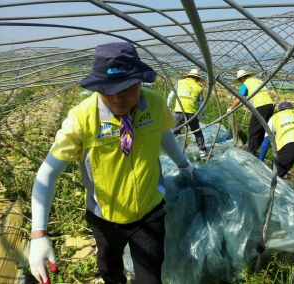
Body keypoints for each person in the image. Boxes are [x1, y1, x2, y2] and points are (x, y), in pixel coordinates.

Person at [28, 42, 194, 284]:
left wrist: (183, 163)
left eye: (127, 87)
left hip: (150, 211)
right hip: (105, 218)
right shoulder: (82, 119)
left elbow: (162, 133)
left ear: (140, 82)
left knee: (151, 278)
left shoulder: (155, 103)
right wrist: (39, 233)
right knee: (111, 272)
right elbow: (47, 174)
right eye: (108, 89)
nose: (118, 98)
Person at [227, 70, 274, 156]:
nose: (240, 82)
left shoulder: (245, 84)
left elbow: (239, 98)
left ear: (242, 78)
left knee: (253, 130)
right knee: (263, 127)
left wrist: (231, 108)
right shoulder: (258, 81)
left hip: (260, 106)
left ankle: (252, 152)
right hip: (270, 105)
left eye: (240, 80)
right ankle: (260, 146)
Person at [167, 69, 208, 159]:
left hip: (179, 111)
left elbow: (170, 95)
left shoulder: (180, 82)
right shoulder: (198, 88)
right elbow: (201, 104)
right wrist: (203, 114)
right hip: (192, 113)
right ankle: (202, 151)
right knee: (197, 132)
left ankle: (173, 150)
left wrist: (168, 107)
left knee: (175, 131)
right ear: (197, 77)